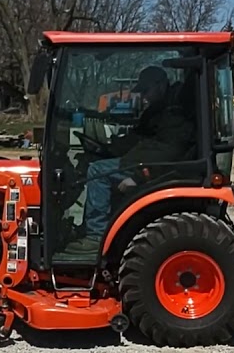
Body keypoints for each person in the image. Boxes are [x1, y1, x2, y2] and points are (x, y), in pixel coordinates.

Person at [65, 65, 195, 256]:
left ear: (160, 85)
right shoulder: (159, 109)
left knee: (97, 171)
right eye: (140, 91)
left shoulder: (175, 113)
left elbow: (170, 152)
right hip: (146, 162)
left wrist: (139, 176)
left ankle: (96, 235)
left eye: (145, 90)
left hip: (154, 169)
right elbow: (137, 138)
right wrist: (109, 148)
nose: (143, 96)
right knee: (98, 165)